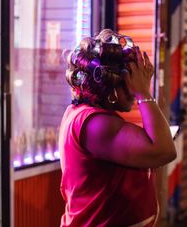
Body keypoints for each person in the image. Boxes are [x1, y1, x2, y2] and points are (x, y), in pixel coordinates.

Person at [58, 29, 177, 227]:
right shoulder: (95, 124)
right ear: (110, 86)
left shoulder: (90, 115)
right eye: (130, 82)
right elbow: (164, 151)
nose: (133, 89)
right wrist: (142, 93)